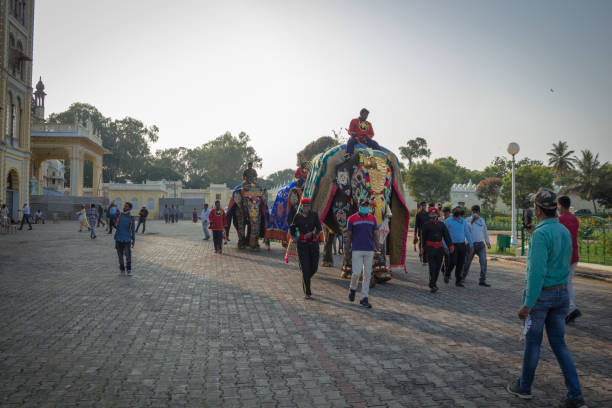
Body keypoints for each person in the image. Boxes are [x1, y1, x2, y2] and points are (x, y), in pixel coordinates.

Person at [506, 188, 587, 408]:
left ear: (538, 210)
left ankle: (525, 386)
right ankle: (576, 395)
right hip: (561, 294)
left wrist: (527, 305)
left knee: (533, 343)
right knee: (559, 344)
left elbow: (536, 273)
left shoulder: (541, 235)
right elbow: (563, 259)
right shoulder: (562, 231)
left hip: (542, 296)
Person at [346, 200, 379, 308]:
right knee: (356, 273)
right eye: (363, 206)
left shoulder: (373, 219)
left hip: (369, 250)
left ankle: (364, 298)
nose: (365, 207)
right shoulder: (351, 219)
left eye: (367, 206)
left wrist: (378, 248)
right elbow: (349, 236)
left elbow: (375, 234)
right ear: (359, 206)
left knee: (367, 275)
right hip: (357, 250)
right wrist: (347, 250)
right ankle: (352, 288)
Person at [289, 197, 322, 300]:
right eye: (304, 206)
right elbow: (292, 229)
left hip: (313, 245)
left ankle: (306, 277)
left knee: (314, 267)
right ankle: (307, 292)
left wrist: (313, 233)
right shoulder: (297, 217)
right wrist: (297, 237)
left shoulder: (314, 215)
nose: (306, 208)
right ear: (301, 206)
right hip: (302, 246)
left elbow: (319, 228)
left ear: (310, 206)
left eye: (308, 206)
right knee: (305, 269)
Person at [557, 196, 581, 324]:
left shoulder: (559, 220)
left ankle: (571, 308)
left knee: (562, 284)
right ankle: (569, 309)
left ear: (560, 205)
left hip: (564, 256)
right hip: (574, 254)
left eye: (558, 205)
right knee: (568, 283)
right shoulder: (574, 219)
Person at [421, 207, 453, 293]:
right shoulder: (426, 225)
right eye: (431, 214)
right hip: (430, 249)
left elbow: (447, 236)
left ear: (438, 215)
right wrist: (422, 248)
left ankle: (433, 283)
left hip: (439, 249)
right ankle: (433, 285)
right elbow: (423, 238)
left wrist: (450, 246)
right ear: (429, 215)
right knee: (432, 267)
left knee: (437, 268)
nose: (433, 215)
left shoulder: (442, 225)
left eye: (435, 214)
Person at [444, 205, 473, 287]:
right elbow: (444, 234)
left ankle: (458, 281)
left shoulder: (463, 221)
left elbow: (467, 233)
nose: (457, 211)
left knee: (461, 263)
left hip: (462, 245)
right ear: (453, 212)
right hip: (452, 245)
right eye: (456, 210)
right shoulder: (448, 221)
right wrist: (445, 245)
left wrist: (471, 244)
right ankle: (447, 274)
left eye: (459, 210)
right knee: (453, 262)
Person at [464, 205, 492, 287]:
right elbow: (466, 230)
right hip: (470, 245)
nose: (475, 213)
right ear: (471, 212)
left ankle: (482, 280)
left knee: (483, 262)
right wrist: (472, 221)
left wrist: (488, 242)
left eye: (477, 212)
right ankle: (462, 277)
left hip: (480, 245)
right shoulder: (468, 220)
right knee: (467, 263)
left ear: (479, 212)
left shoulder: (482, 220)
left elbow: (485, 231)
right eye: (473, 212)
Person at [114, 202, 135, 276]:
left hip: (127, 239)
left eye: (126, 206)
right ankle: (122, 270)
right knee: (120, 256)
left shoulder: (131, 218)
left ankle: (129, 270)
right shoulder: (119, 215)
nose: (125, 207)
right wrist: (113, 206)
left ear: (130, 208)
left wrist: (133, 240)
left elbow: (132, 229)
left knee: (128, 255)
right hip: (118, 238)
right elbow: (111, 215)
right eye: (124, 206)